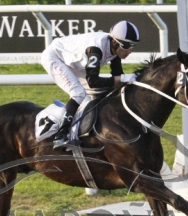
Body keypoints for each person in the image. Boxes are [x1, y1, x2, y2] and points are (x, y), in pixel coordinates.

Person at [41, 20, 140, 149]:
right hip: (55, 58)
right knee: (78, 93)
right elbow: (93, 81)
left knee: (93, 97)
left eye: (133, 46)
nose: (130, 51)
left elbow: (117, 80)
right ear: (115, 42)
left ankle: (82, 134)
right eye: (128, 46)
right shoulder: (95, 49)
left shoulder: (115, 49)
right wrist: (121, 79)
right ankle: (60, 136)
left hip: (76, 64)